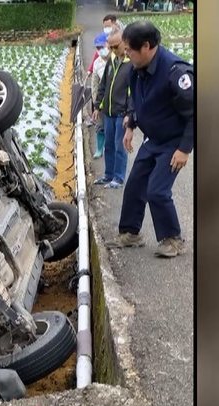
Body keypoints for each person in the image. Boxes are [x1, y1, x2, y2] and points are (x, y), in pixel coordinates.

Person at [109, 20, 194, 258]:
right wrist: (131, 125)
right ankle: (130, 233)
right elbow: (138, 100)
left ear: (146, 46)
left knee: (157, 190)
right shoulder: (138, 70)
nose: (126, 54)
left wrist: (185, 149)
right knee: (135, 185)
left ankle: (173, 239)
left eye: (129, 50)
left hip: (173, 142)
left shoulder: (175, 72)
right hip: (152, 139)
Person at [92, 31, 133, 190]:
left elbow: (132, 92)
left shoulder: (130, 64)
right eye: (111, 47)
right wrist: (97, 106)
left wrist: (130, 114)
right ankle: (108, 175)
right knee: (108, 145)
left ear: (124, 43)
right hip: (108, 111)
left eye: (116, 46)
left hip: (122, 112)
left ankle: (118, 177)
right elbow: (103, 85)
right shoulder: (112, 60)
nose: (113, 50)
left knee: (119, 145)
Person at [88, 33, 110, 159]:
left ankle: (109, 148)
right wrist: (96, 105)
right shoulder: (97, 63)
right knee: (100, 126)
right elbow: (95, 85)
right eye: (98, 48)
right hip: (101, 102)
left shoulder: (116, 60)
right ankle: (99, 149)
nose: (101, 50)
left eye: (102, 46)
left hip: (115, 102)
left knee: (111, 128)